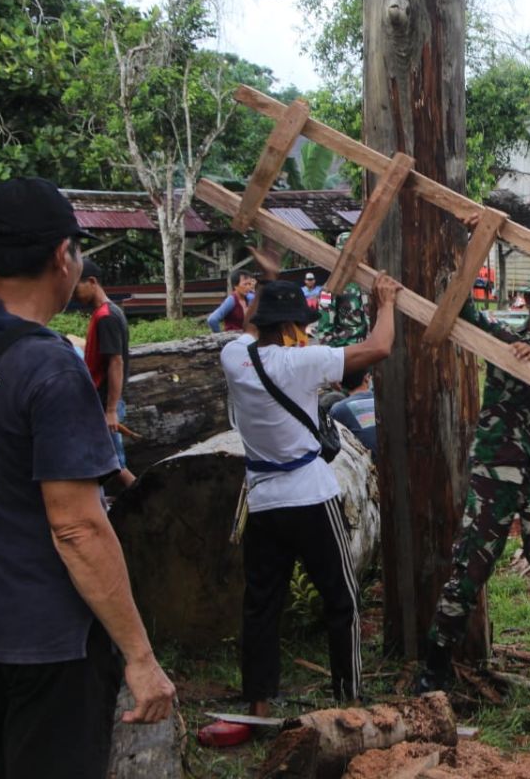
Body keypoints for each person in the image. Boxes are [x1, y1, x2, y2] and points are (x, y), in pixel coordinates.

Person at [0, 178, 175, 777]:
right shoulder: (50, 368)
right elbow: (77, 527)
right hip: (50, 643)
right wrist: (139, 656)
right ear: (62, 256)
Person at [221, 247, 399, 716]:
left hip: (263, 502)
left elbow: (250, 329)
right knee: (341, 599)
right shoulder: (303, 363)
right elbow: (378, 348)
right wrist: (386, 304)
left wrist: (271, 280)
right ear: (292, 326)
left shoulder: (233, 356)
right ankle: (349, 698)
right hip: (311, 497)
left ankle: (258, 702)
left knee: (261, 604)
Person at [416, 263, 530, 698]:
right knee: (472, 564)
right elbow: (459, 309)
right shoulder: (503, 337)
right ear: (529, 302)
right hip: (496, 468)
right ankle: (434, 665)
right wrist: (465, 256)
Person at [73, 258, 136, 488]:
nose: (73, 294)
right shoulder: (109, 312)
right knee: (106, 462)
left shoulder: (106, 317)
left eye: (76, 287)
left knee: (116, 465)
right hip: (101, 401)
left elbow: (116, 362)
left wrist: (110, 409)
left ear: (92, 282)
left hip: (104, 402)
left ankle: (144, 500)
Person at [317, 235, 371, 347]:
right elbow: (325, 333)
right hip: (347, 352)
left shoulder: (367, 284)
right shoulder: (329, 289)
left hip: (370, 349)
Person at [328, 370, 378, 456]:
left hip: (366, 465)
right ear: (366, 378)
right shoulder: (382, 400)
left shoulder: (338, 409)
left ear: (340, 383)